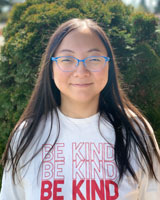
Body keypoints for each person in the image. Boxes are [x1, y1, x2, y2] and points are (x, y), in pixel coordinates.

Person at [0, 18, 160, 200]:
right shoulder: (27, 135)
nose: (81, 70)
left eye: (94, 59)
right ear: (51, 68)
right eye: (67, 59)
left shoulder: (135, 131)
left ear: (109, 65)